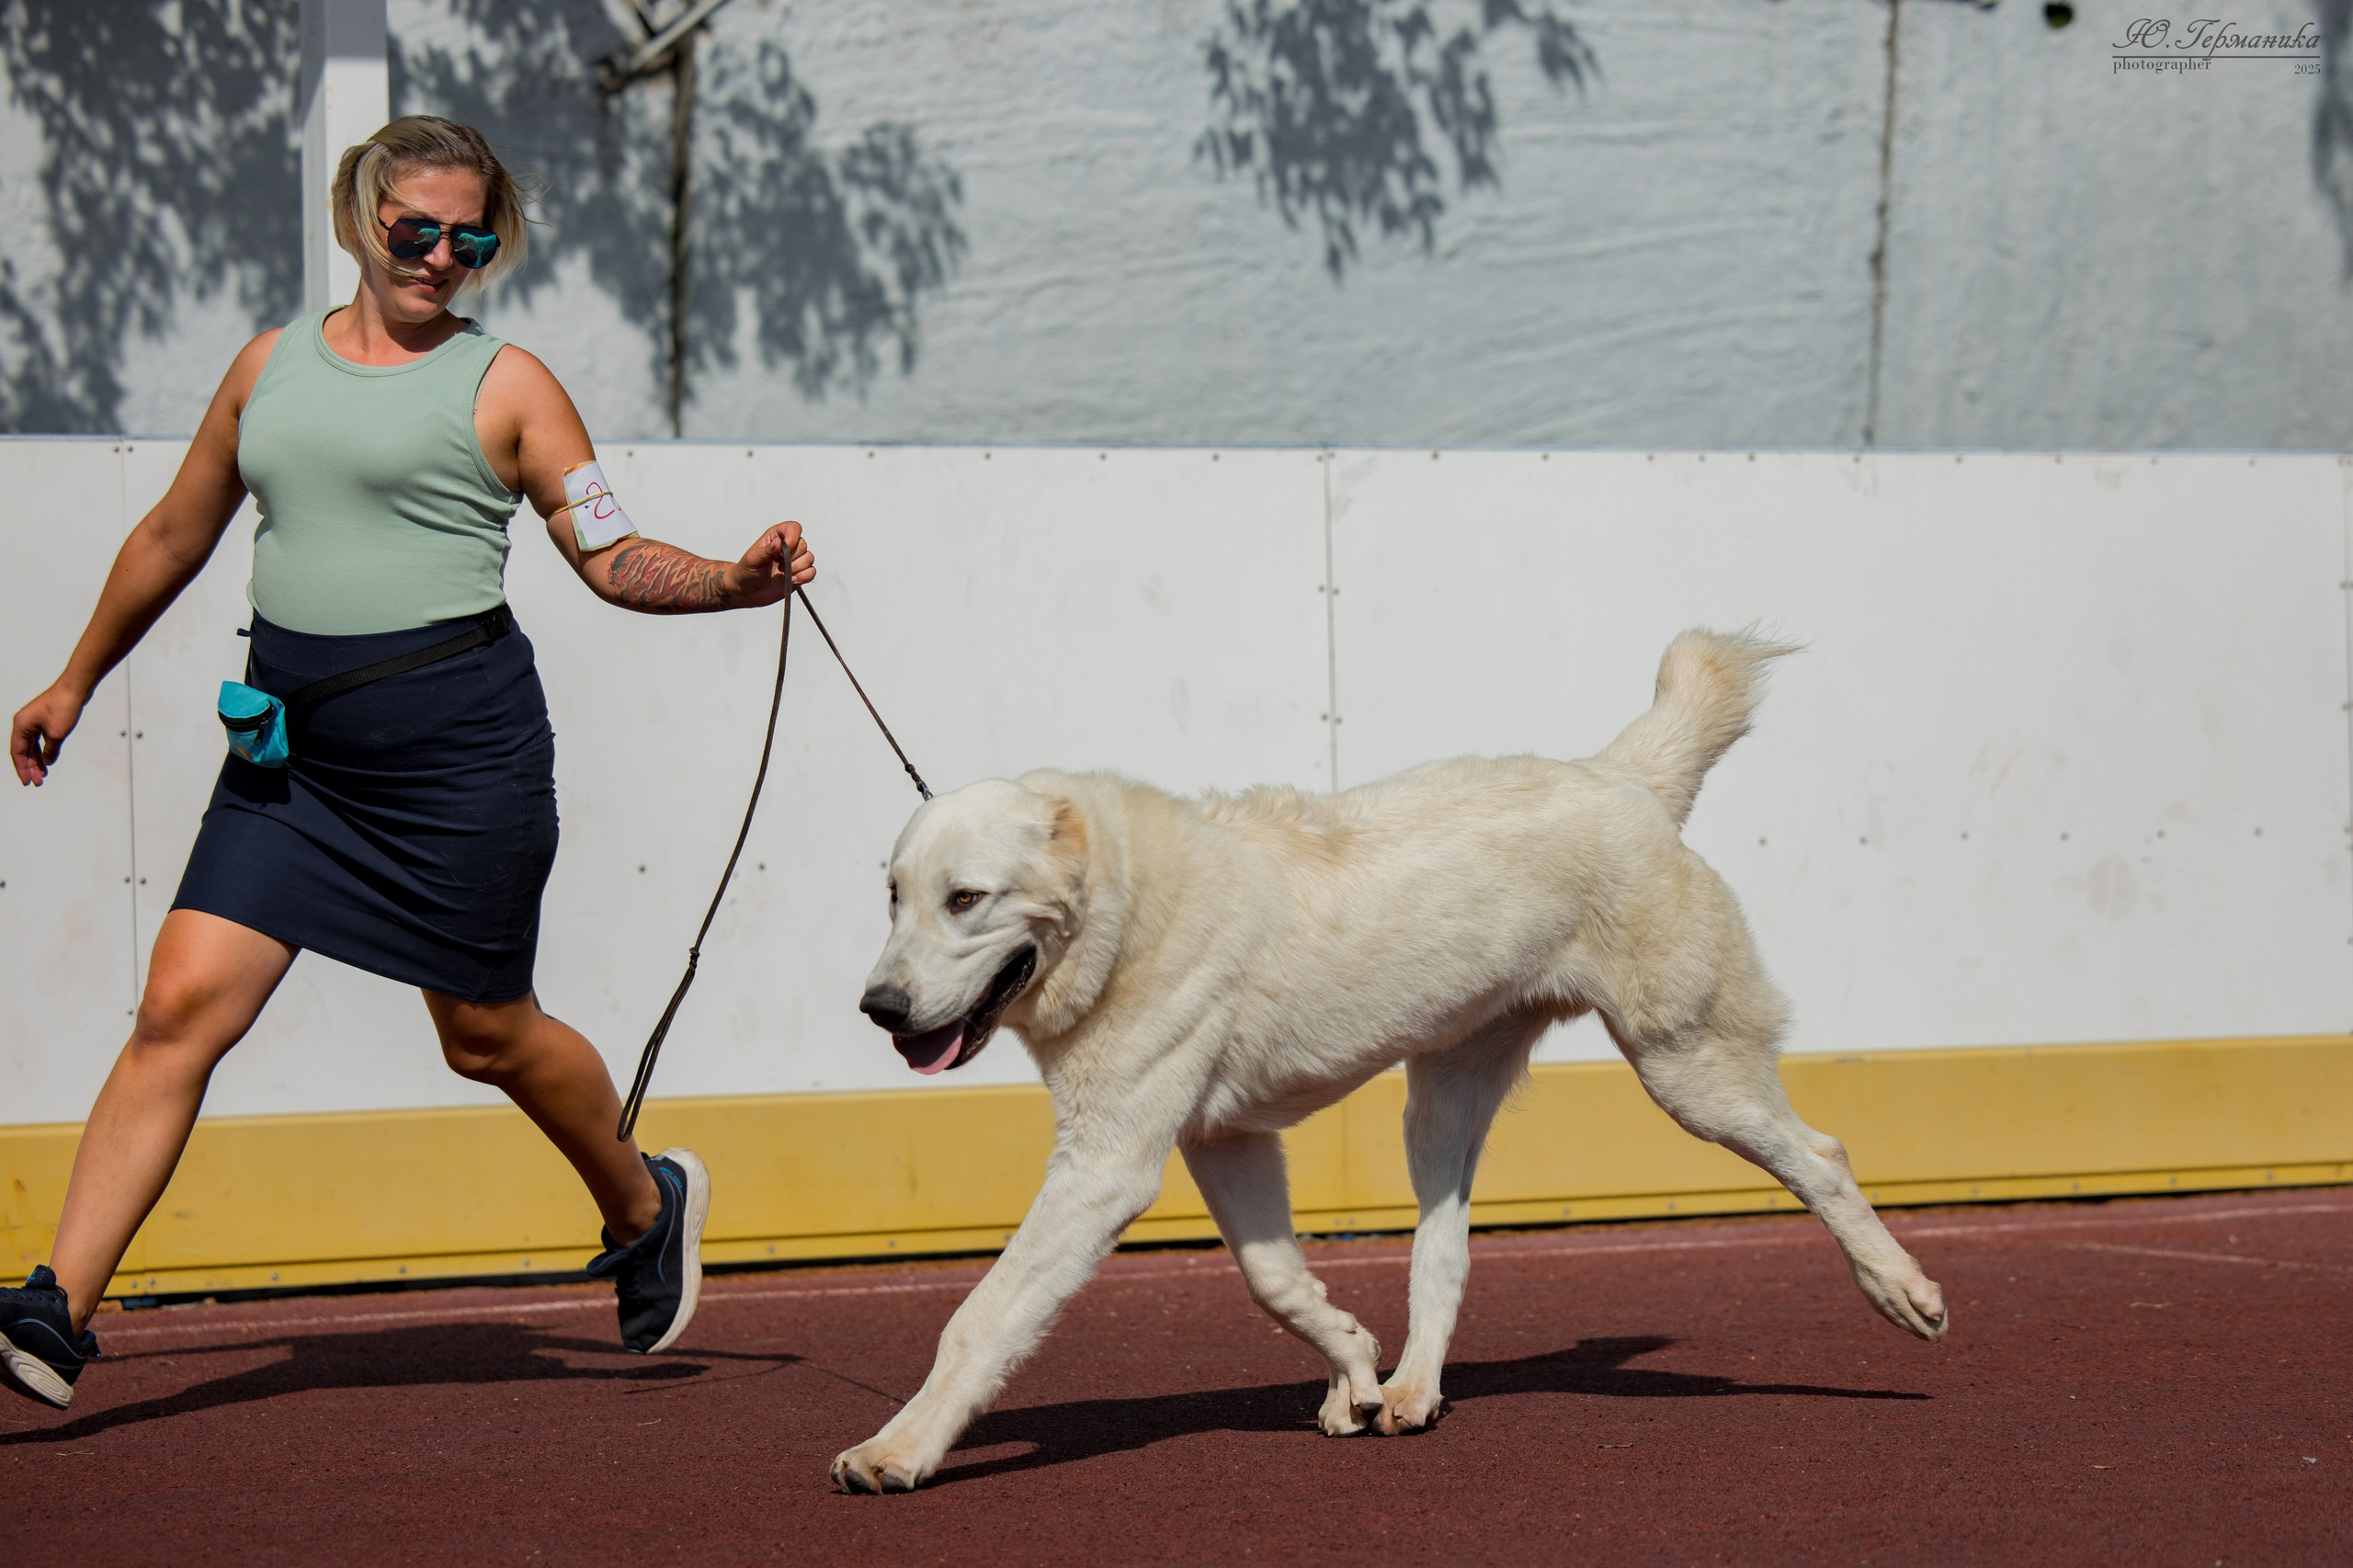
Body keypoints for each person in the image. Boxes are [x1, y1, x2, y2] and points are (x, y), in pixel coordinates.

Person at [0, 116, 810, 1410]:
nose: (441, 255)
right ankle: (56, 1310)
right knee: (179, 1008)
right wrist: (74, 675)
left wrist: (730, 579)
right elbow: (173, 530)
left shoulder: (512, 385)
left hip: (460, 762)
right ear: (360, 217)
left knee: (483, 1038)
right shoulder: (268, 365)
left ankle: (643, 1201)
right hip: (292, 761)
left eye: (470, 236)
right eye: (415, 229)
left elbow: (608, 553)